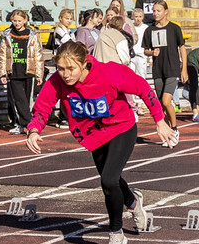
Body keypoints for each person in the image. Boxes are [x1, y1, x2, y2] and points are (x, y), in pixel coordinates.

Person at [26, 41, 176, 244]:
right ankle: (133, 202)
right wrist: (34, 130)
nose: (66, 74)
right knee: (112, 180)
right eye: (61, 69)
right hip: (93, 135)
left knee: (108, 180)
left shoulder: (109, 73)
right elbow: (42, 107)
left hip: (121, 128)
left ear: (84, 63)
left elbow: (143, 88)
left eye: (71, 68)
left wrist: (160, 120)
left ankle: (116, 234)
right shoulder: (57, 81)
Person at [141, 0, 187, 146]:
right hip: (158, 70)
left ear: (166, 11)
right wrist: (151, 52)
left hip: (172, 68)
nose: (155, 13)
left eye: (158, 11)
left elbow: (182, 48)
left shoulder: (174, 28)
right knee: (161, 104)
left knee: (167, 101)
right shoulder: (149, 30)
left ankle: (174, 128)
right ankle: (169, 133)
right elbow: (145, 50)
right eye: (154, 11)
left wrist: (183, 68)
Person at [0, 10, 44, 135]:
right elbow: (2, 55)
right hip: (14, 72)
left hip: (28, 71)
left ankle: (20, 123)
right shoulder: (7, 35)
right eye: (14, 21)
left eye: (19, 21)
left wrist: (40, 74)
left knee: (26, 100)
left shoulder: (32, 35)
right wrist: (2, 73)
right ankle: (29, 124)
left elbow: (38, 55)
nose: (17, 23)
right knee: (19, 99)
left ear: (25, 21)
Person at [130, 9, 148, 80]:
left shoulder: (146, 28)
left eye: (140, 16)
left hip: (141, 56)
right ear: (133, 17)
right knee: (130, 78)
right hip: (131, 56)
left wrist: (150, 59)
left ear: (143, 17)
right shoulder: (130, 27)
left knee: (141, 78)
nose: (138, 19)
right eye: (136, 16)